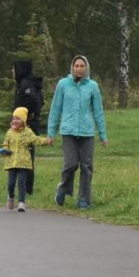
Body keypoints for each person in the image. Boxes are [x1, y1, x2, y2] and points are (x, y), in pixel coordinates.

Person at [48, 54, 107, 209]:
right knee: (71, 164)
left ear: (86, 68)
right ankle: (63, 188)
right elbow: (55, 109)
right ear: (72, 67)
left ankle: (84, 200)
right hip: (68, 131)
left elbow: (98, 111)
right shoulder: (63, 84)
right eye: (76, 66)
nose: (79, 69)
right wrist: (51, 133)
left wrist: (103, 134)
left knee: (87, 166)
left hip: (87, 132)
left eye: (82, 66)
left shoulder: (92, 86)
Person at [0, 106, 51, 211]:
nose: (15, 121)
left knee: (22, 182)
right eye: (14, 118)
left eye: (18, 118)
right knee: (11, 183)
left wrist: (46, 141)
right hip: (11, 162)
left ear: (23, 120)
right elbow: (6, 144)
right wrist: (5, 150)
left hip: (24, 162)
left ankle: (21, 202)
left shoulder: (28, 132)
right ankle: (11, 197)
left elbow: (36, 140)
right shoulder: (9, 132)